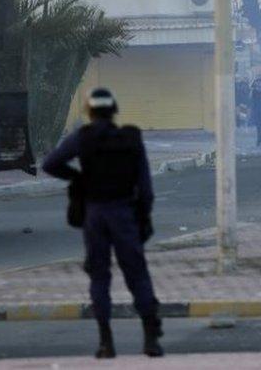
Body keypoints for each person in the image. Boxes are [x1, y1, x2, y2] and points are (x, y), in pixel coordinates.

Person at [42, 88, 163, 359]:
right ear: (113, 110)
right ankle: (151, 340)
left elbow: (50, 163)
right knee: (137, 275)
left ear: (90, 111)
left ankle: (106, 343)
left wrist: (77, 178)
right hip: (124, 214)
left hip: (95, 215)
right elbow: (146, 190)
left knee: (99, 276)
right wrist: (143, 219)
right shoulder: (131, 139)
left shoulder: (82, 138)